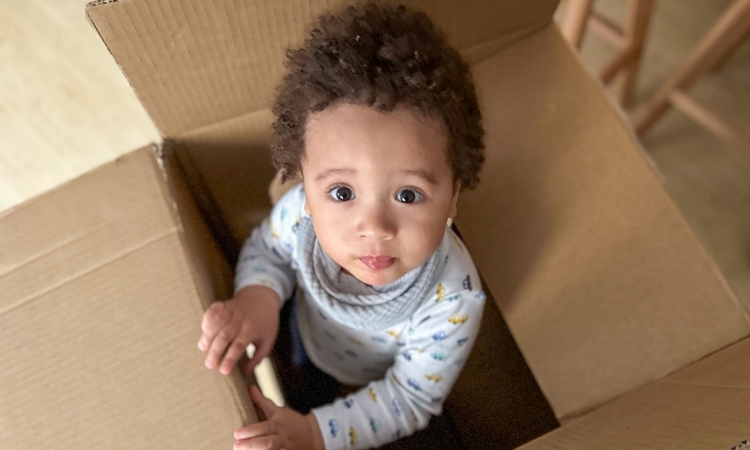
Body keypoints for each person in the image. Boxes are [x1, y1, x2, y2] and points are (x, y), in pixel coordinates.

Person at [197, 3, 486, 449]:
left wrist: (314, 434)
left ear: (453, 198)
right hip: (303, 337)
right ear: (306, 189)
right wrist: (259, 298)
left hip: (374, 384)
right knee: (298, 389)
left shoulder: (453, 298)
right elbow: (271, 250)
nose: (374, 226)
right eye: (342, 193)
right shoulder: (299, 214)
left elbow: (408, 397)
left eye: (408, 195)